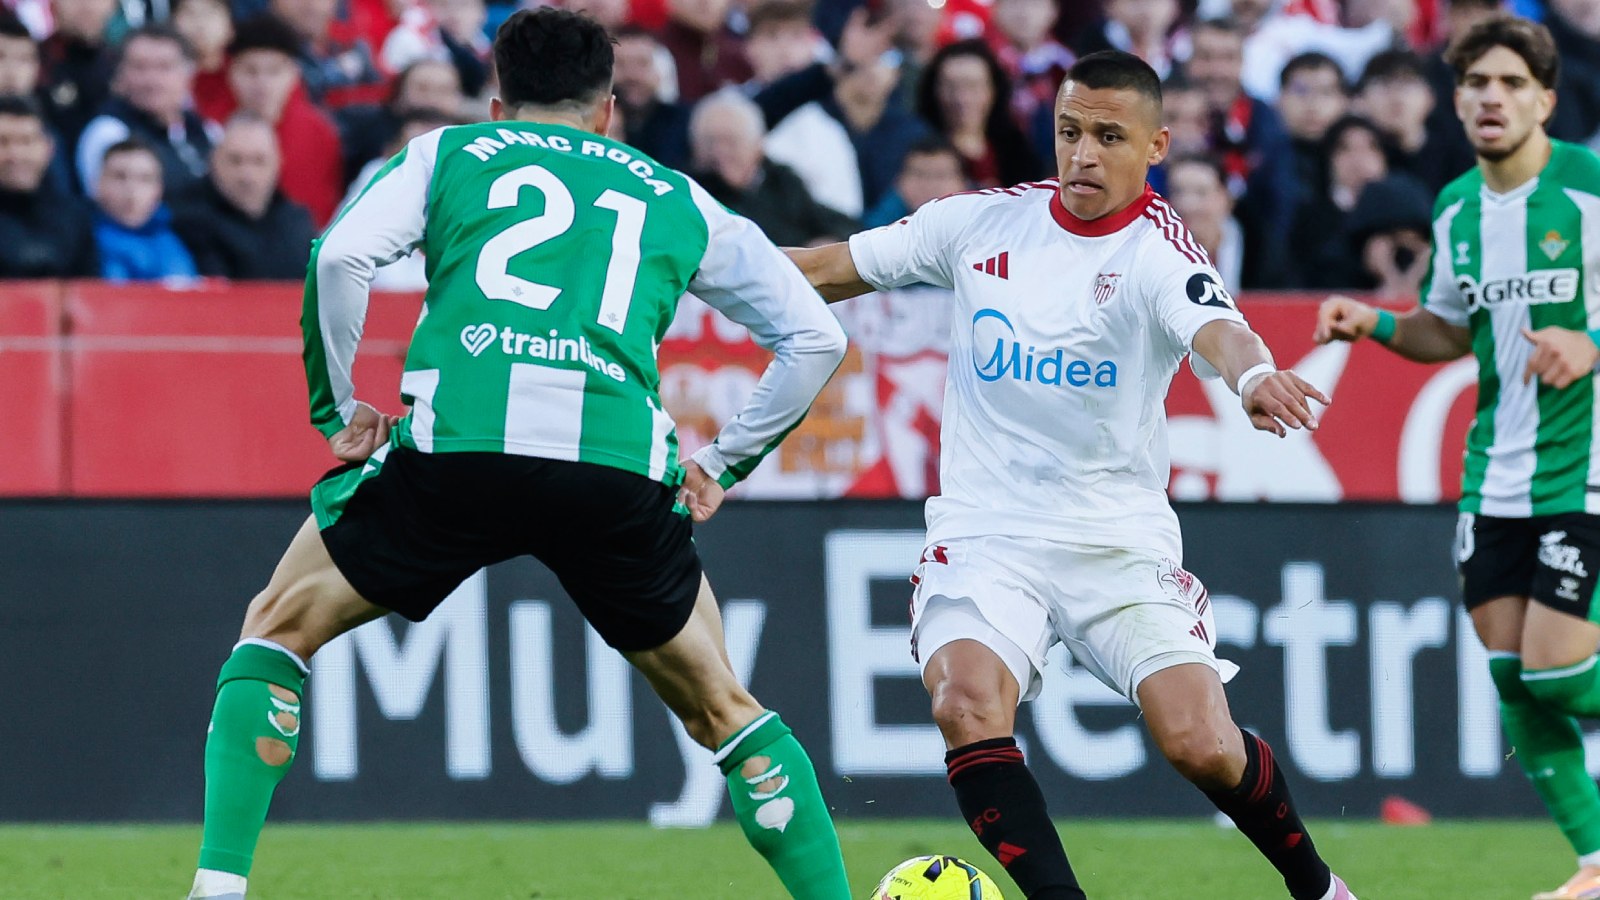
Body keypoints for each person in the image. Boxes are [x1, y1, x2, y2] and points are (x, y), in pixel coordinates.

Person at [184, 9, 852, 900]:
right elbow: (814, 338)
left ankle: (218, 889)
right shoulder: (674, 194)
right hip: (613, 468)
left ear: (499, 103)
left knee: (275, 629)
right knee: (725, 709)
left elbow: (340, 257)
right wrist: (722, 463)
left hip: (459, 453)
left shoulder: (449, 153)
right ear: (608, 110)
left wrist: (340, 410)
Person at [788, 50, 1356, 900]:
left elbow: (1220, 330)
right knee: (965, 702)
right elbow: (833, 268)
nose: (1083, 154)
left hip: (1115, 539)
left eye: (1108, 136)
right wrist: (698, 262)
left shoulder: (1162, 250)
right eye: (1069, 131)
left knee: (1199, 741)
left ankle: (1318, 888)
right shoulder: (980, 223)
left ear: (1156, 144)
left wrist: (1252, 377)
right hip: (988, 532)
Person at [1315, 15, 1600, 900]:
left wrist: (1590, 340)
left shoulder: (1589, 188)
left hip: (1584, 465)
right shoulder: (1453, 207)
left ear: (1546, 99)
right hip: (1495, 473)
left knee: (1558, 664)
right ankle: (1595, 863)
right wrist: (1379, 324)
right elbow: (1448, 329)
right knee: (1514, 674)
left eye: (1512, 83)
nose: (1491, 97)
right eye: (1476, 83)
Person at [689, 88, 858, 247]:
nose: (720, 151)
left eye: (731, 141)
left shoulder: (781, 180)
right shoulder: (692, 193)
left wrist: (827, 243)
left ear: (757, 146)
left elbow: (840, 224)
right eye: (710, 142)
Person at [169, 113, 315, 280]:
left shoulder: (297, 223)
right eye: (235, 160)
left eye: (259, 161)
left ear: (278, 163)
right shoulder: (188, 219)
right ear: (214, 161)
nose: (247, 175)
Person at [76, 25, 215, 196]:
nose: (151, 80)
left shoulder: (206, 130)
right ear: (120, 74)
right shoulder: (109, 133)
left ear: (188, 73)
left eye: (164, 67)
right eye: (139, 67)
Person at [916, 39, 1042, 188]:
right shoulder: (914, 146)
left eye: (973, 86)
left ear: (993, 90)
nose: (962, 98)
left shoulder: (1017, 151)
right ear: (933, 91)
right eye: (950, 86)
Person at [0, 94, 95, 277]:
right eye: (3, 142)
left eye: (26, 141)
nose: (15, 154)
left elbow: (89, 293)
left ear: (48, 148)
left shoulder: (74, 218)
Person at [91, 138, 198, 281]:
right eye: (119, 177)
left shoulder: (175, 241)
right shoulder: (81, 240)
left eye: (145, 179)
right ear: (98, 183)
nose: (131, 191)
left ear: (159, 189)